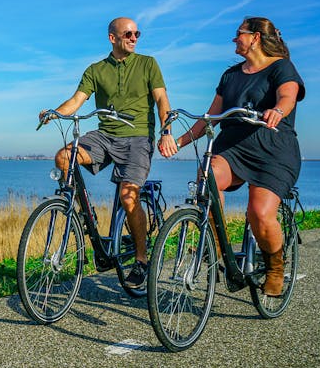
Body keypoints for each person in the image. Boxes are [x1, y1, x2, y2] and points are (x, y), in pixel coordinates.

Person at [40, 17, 177, 289]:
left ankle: (140, 259)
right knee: (63, 157)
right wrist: (54, 113)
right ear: (112, 38)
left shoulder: (148, 63)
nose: (134, 37)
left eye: (137, 33)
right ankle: (78, 213)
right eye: (128, 33)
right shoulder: (96, 69)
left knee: (129, 198)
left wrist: (166, 131)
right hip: (105, 136)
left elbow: (161, 99)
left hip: (137, 138)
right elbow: (77, 101)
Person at [172, 16, 305, 296]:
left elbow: (288, 96)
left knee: (259, 212)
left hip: (273, 148)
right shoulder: (230, 75)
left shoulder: (281, 68)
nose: (235, 39)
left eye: (239, 34)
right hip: (233, 147)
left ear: (255, 37)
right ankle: (217, 246)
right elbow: (210, 119)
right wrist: (178, 142)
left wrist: (278, 111)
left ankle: (275, 267)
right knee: (207, 176)